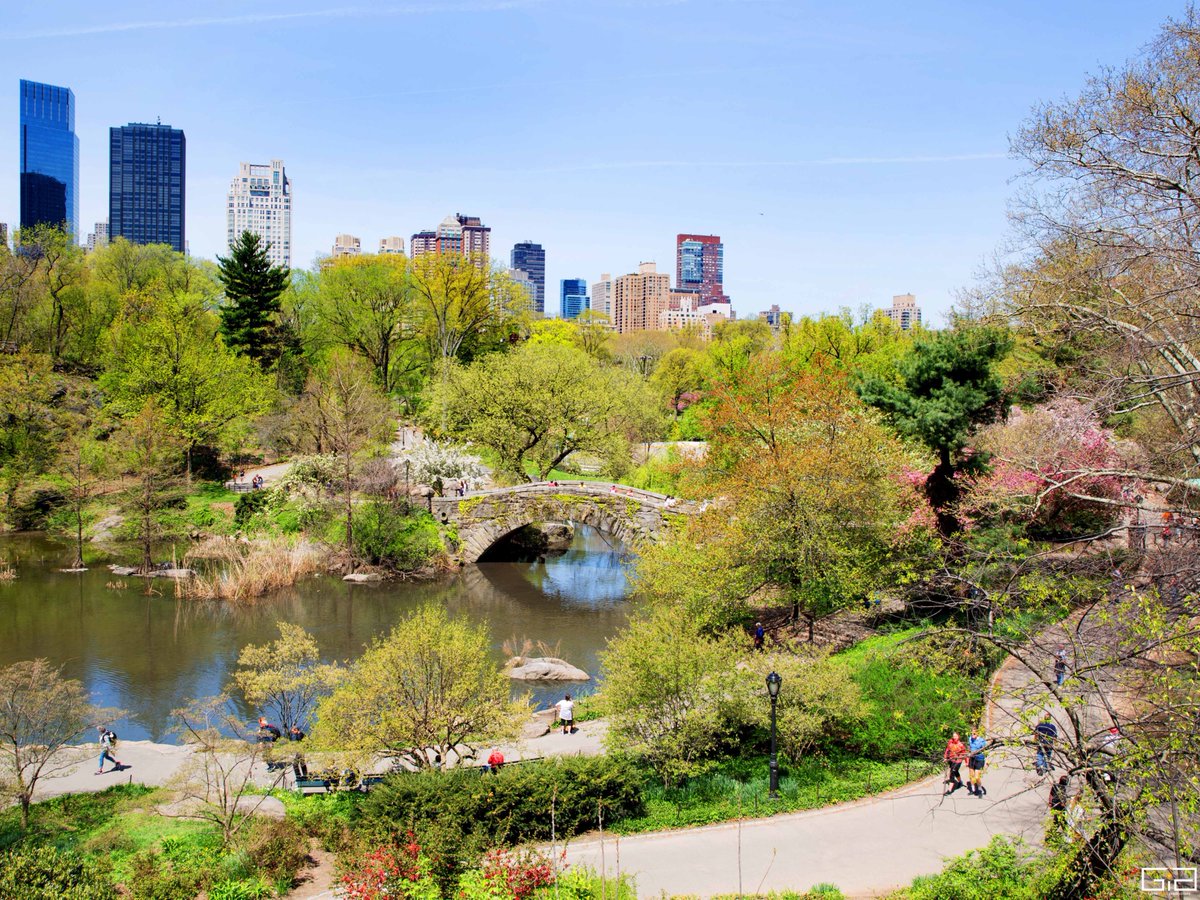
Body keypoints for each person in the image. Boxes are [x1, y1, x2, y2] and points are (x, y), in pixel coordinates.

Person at [966, 728, 988, 797]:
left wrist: (987, 760)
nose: (972, 735)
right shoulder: (970, 739)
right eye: (971, 733)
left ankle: (980, 789)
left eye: (974, 733)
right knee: (971, 775)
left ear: (977, 733)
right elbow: (969, 748)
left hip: (979, 759)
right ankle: (972, 790)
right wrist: (967, 757)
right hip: (972, 759)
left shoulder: (981, 741)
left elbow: (986, 750)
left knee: (977, 777)